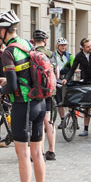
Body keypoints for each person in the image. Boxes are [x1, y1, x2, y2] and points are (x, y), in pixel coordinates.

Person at [0, 10, 46, 182]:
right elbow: (26, 73)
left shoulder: (8, 52)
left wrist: (0, 91)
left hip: (23, 106)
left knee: (23, 155)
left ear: (4, 31)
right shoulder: (27, 44)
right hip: (40, 103)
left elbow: (13, 85)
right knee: (38, 153)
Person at [62, 38, 91, 137]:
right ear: (83, 47)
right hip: (87, 81)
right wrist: (66, 79)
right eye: (88, 46)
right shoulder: (79, 56)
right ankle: (85, 129)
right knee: (86, 105)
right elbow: (72, 69)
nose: (90, 47)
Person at [32, 29, 58, 161]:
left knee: (39, 121)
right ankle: (51, 151)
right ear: (45, 41)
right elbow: (56, 74)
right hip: (50, 91)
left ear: (33, 41)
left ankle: (40, 151)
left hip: (37, 91)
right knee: (49, 120)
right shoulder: (51, 54)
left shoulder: (33, 54)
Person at [53, 37, 74, 129]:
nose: (63, 47)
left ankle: (73, 120)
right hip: (57, 81)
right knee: (59, 101)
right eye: (61, 45)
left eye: (64, 45)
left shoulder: (70, 56)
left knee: (71, 101)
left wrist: (67, 77)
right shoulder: (53, 56)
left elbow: (73, 69)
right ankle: (62, 120)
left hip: (68, 80)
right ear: (57, 46)